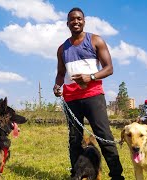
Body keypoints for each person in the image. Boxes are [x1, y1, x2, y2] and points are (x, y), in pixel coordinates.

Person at [53, 7, 124, 180]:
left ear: (84, 21)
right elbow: (61, 73)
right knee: (74, 139)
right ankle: (76, 175)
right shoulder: (62, 49)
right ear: (67, 23)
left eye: (79, 19)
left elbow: (109, 68)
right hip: (71, 99)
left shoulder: (95, 40)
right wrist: (57, 85)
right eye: (72, 19)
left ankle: (116, 175)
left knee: (104, 136)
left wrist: (90, 76)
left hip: (93, 95)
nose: (75, 22)